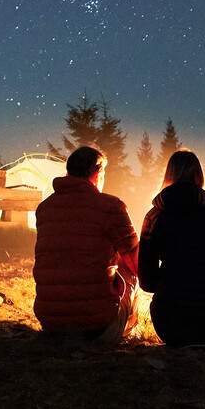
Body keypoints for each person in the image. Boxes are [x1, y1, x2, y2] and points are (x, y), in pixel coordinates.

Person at [33, 145, 139, 342]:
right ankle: (125, 328)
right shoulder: (110, 206)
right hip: (96, 327)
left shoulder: (45, 208)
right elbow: (137, 262)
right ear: (97, 173)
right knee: (128, 265)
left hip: (50, 323)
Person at [137, 150, 205, 347]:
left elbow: (147, 282)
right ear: (199, 176)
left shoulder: (154, 217)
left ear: (168, 176)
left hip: (172, 326)